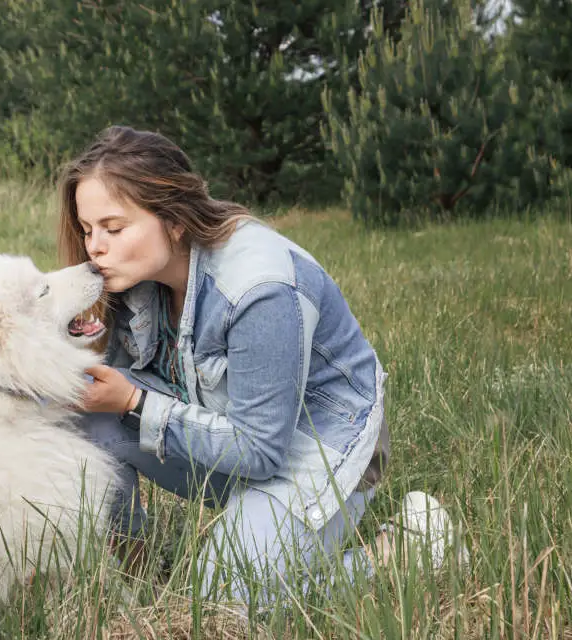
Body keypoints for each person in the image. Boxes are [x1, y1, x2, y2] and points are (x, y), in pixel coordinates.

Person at [57, 125, 460, 608]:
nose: (94, 247)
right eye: (87, 230)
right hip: (224, 425)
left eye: (114, 228)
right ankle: (136, 577)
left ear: (175, 220)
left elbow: (260, 450)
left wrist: (135, 402)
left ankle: (403, 551)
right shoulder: (136, 277)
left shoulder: (259, 289)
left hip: (316, 448)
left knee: (224, 598)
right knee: (86, 412)